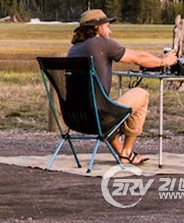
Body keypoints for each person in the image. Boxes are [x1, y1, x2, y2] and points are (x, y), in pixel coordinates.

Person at [67, 9, 177, 165]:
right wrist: (164, 61)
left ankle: (123, 154)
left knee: (106, 107)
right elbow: (138, 58)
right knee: (141, 94)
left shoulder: (73, 49)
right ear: (97, 27)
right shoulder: (102, 43)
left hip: (74, 117)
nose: (110, 31)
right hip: (99, 117)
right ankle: (126, 151)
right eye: (107, 26)